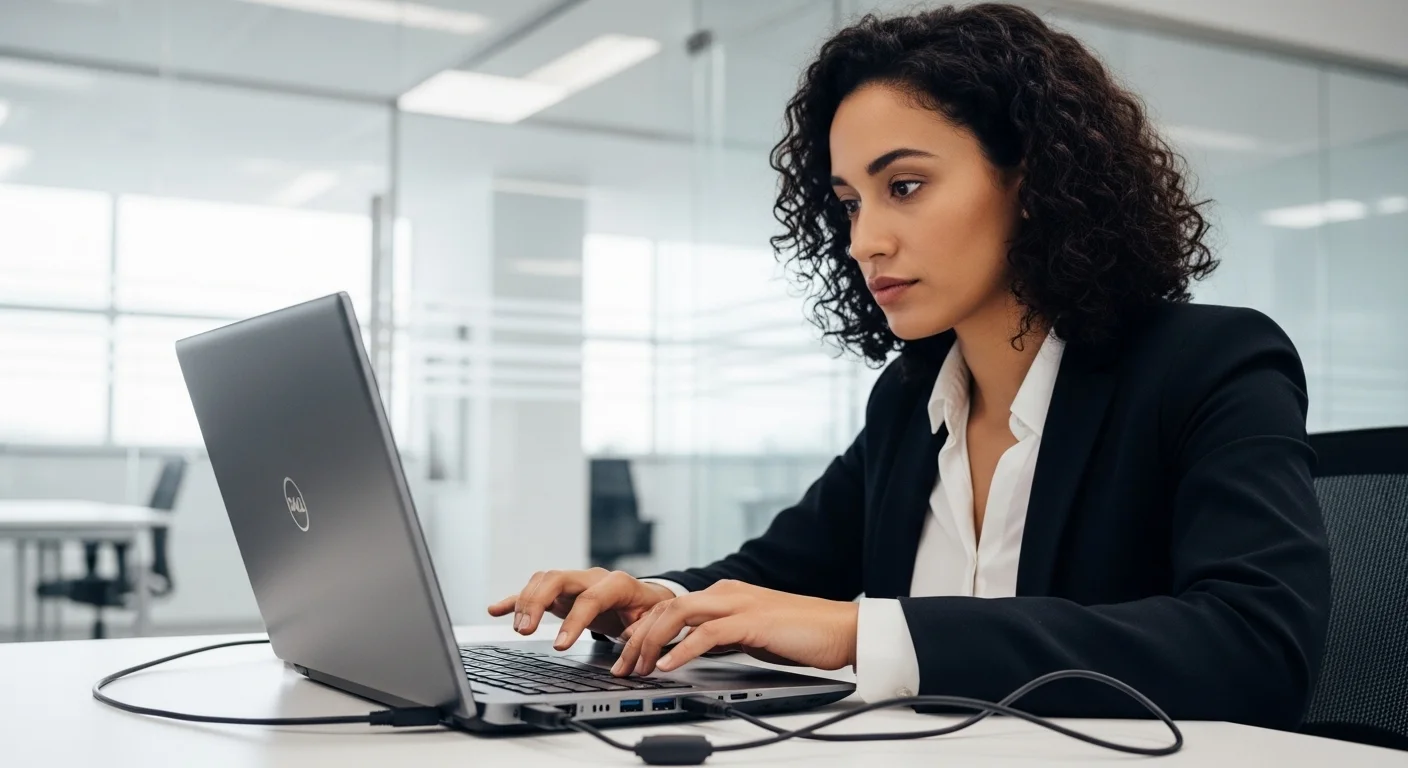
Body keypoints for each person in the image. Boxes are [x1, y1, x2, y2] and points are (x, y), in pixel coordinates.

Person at [487, 3, 1330, 728]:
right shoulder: (912, 400)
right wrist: (655, 600)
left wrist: (865, 633)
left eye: (905, 187)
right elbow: (778, 578)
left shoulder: (1205, 366)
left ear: (1033, 177)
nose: (864, 241)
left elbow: (1254, 647)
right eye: (850, 202)